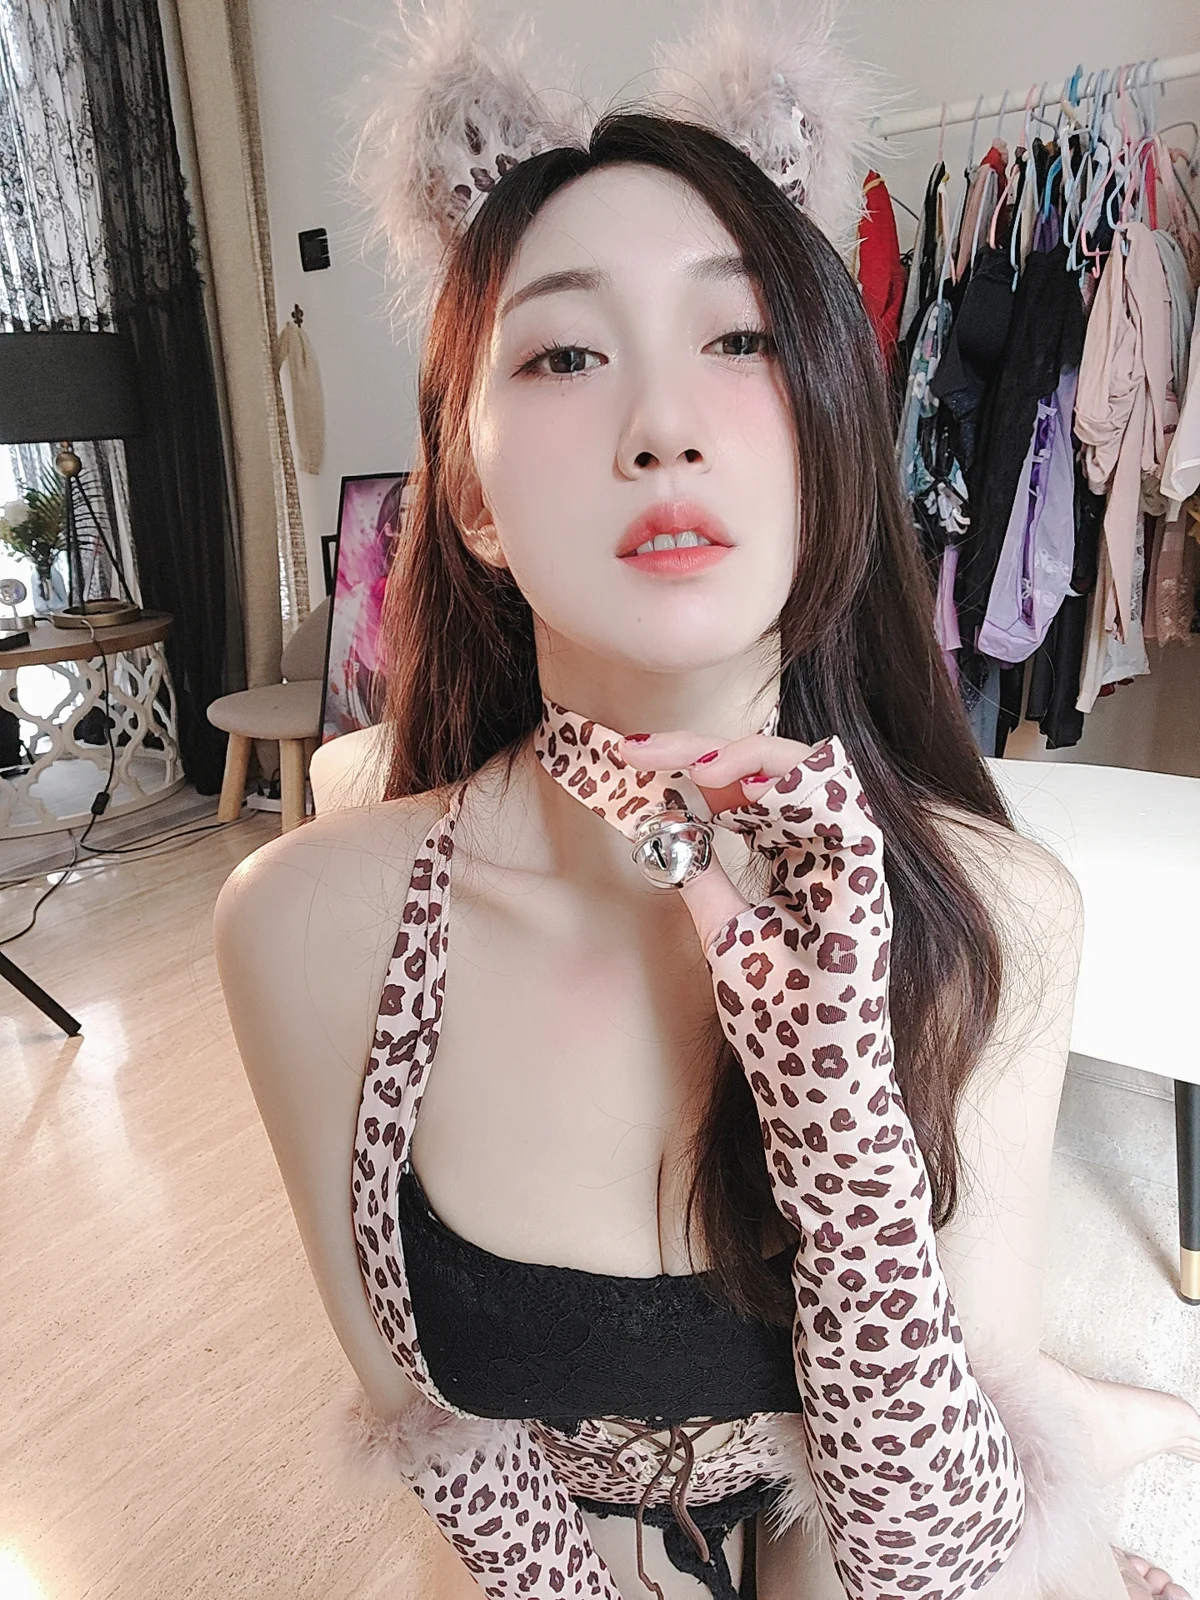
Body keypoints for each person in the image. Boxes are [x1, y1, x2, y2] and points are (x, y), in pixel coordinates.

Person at [214, 7, 1199, 1597]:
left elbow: (925, 1555)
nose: (661, 423)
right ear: (470, 497)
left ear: (833, 433)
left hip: (852, 1518)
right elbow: (431, 1426)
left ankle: (1116, 1419)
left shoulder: (1000, 910)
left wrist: (837, 1117)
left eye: (739, 341)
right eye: (563, 355)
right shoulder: (311, 923)